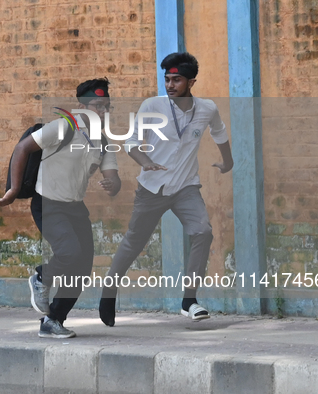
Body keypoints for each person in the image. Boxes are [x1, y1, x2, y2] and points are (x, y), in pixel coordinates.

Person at [98, 52, 234, 326]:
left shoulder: (206, 108)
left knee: (203, 232)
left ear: (191, 82)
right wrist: (146, 162)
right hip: (151, 188)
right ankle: (109, 292)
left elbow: (219, 133)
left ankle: (189, 300)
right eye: (167, 79)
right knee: (134, 242)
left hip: (186, 187)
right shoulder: (152, 106)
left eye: (177, 80)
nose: (170, 85)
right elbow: (132, 143)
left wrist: (228, 162)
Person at [0, 78, 121, 338]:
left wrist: (112, 184)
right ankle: (41, 278)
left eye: (106, 106)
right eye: (97, 105)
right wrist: (14, 189)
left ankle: (53, 320)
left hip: (75, 207)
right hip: (48, 204)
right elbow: (23, 148)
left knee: (82, 271)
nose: (102, 111)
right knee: (69, 252)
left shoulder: (103, 141)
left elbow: (114, 178)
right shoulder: (64, 126)